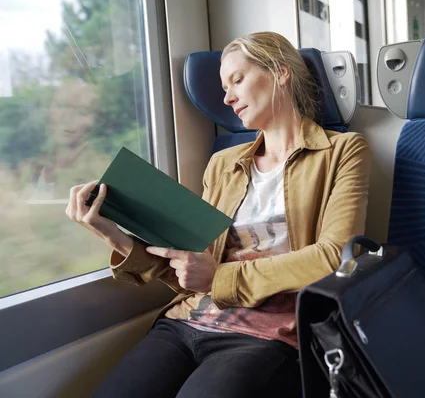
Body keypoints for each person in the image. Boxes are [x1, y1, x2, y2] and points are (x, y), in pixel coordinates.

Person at [66, 31, 371, 398]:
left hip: (269, 333)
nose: (227, 98)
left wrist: (219, 275)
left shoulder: (343, 151)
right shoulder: (223, 164)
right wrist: (111, 231)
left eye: (237, 80)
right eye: (225, 87)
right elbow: (195, 273)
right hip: (188, 320)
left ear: (280, 71)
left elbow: (333, 257)